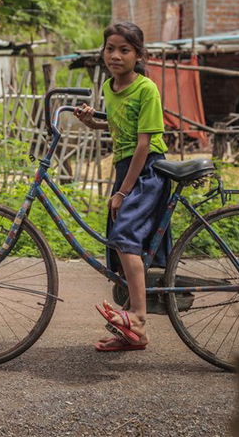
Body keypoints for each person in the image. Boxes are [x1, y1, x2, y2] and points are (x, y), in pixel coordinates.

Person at [73, 22, 170, 352]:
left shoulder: (146, 90)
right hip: (127, 168)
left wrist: (123, 192)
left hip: (147, 171)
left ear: (138, 55)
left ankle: (138, 317)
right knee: (120, 246)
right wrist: (92, 122)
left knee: (125, 237)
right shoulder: (112, 87)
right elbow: (119, 129)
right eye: (110, 48)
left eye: (124, 50)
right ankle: (133, 335)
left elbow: (143, 144)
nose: (115, 55)